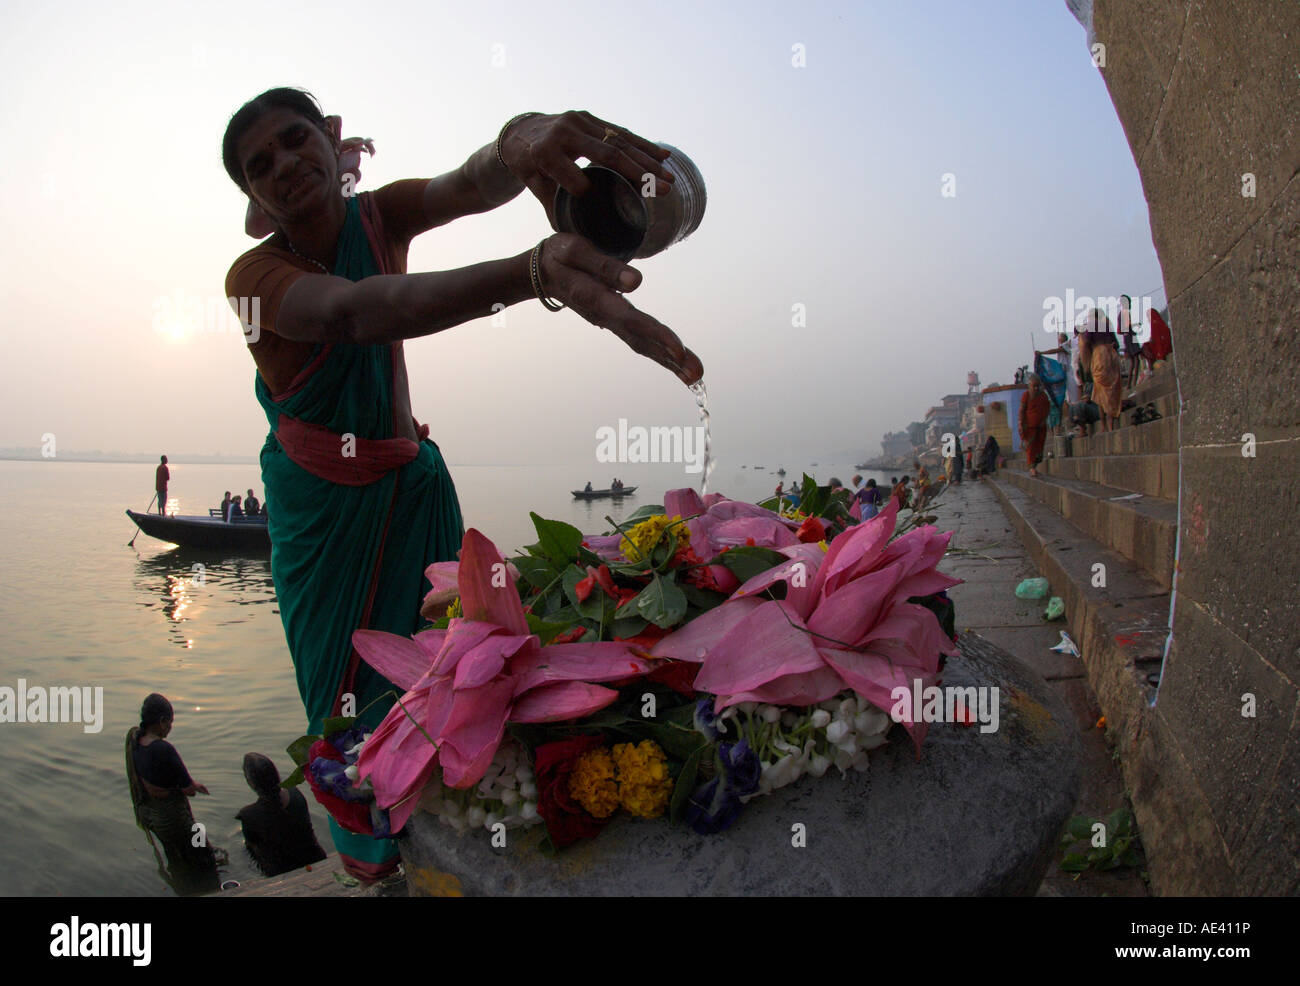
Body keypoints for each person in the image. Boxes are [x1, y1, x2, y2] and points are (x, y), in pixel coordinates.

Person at [222, 89, 702, 880]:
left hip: (412, 487)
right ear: (252, 196)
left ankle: (459, 836)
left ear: (327, 138)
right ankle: (378, 865)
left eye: (293, 140)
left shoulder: (378, 215)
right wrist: (531, 272)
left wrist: (521, 140)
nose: (282, 166)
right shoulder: (253, 274)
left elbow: (471, 184)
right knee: (349, 701)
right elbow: (353, 312)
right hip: (322, 520)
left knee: (453, 668)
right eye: (258, 166)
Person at [125, 693, 220, 895]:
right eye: (170, 723)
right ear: (161, 722)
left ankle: (183, 888)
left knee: (177, 859)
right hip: (173, 819)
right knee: (204, 858)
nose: (170, 728)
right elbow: (187, 788)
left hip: (153, 817)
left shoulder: (135, 741)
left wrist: (191, 785)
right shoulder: (162, 749)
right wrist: (194, 786)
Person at [236, 753, 327, 878]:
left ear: (251, 783)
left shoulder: (248, 815)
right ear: (276, 775)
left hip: (280, 873)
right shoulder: (295, 794)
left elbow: (253, 851)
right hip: (315, 858)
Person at [1082, 321, 1123, 432]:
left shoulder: (1090, 327)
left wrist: (1087, 361)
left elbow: (1085, 343)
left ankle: (1104, 426)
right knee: (1112, 390)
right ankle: (1110, 423)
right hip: (1111, 355)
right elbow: (1116, 344)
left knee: (1100, 394)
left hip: (1099, 356)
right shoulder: (1106, 326)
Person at [1019, 373, 1051, 477]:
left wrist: (1044, 420)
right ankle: (1032, 469)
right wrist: (1020, 423)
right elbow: (1022, 410)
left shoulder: (1043, 396)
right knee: (1031, 449)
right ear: (1030, 386)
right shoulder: (1026, 395)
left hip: (1041, 427)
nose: (1036, 388)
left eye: (1038, 386)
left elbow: (1047, 409)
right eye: (1034, 386)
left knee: (1039, 449)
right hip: (1029, 427)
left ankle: (1035, 467)